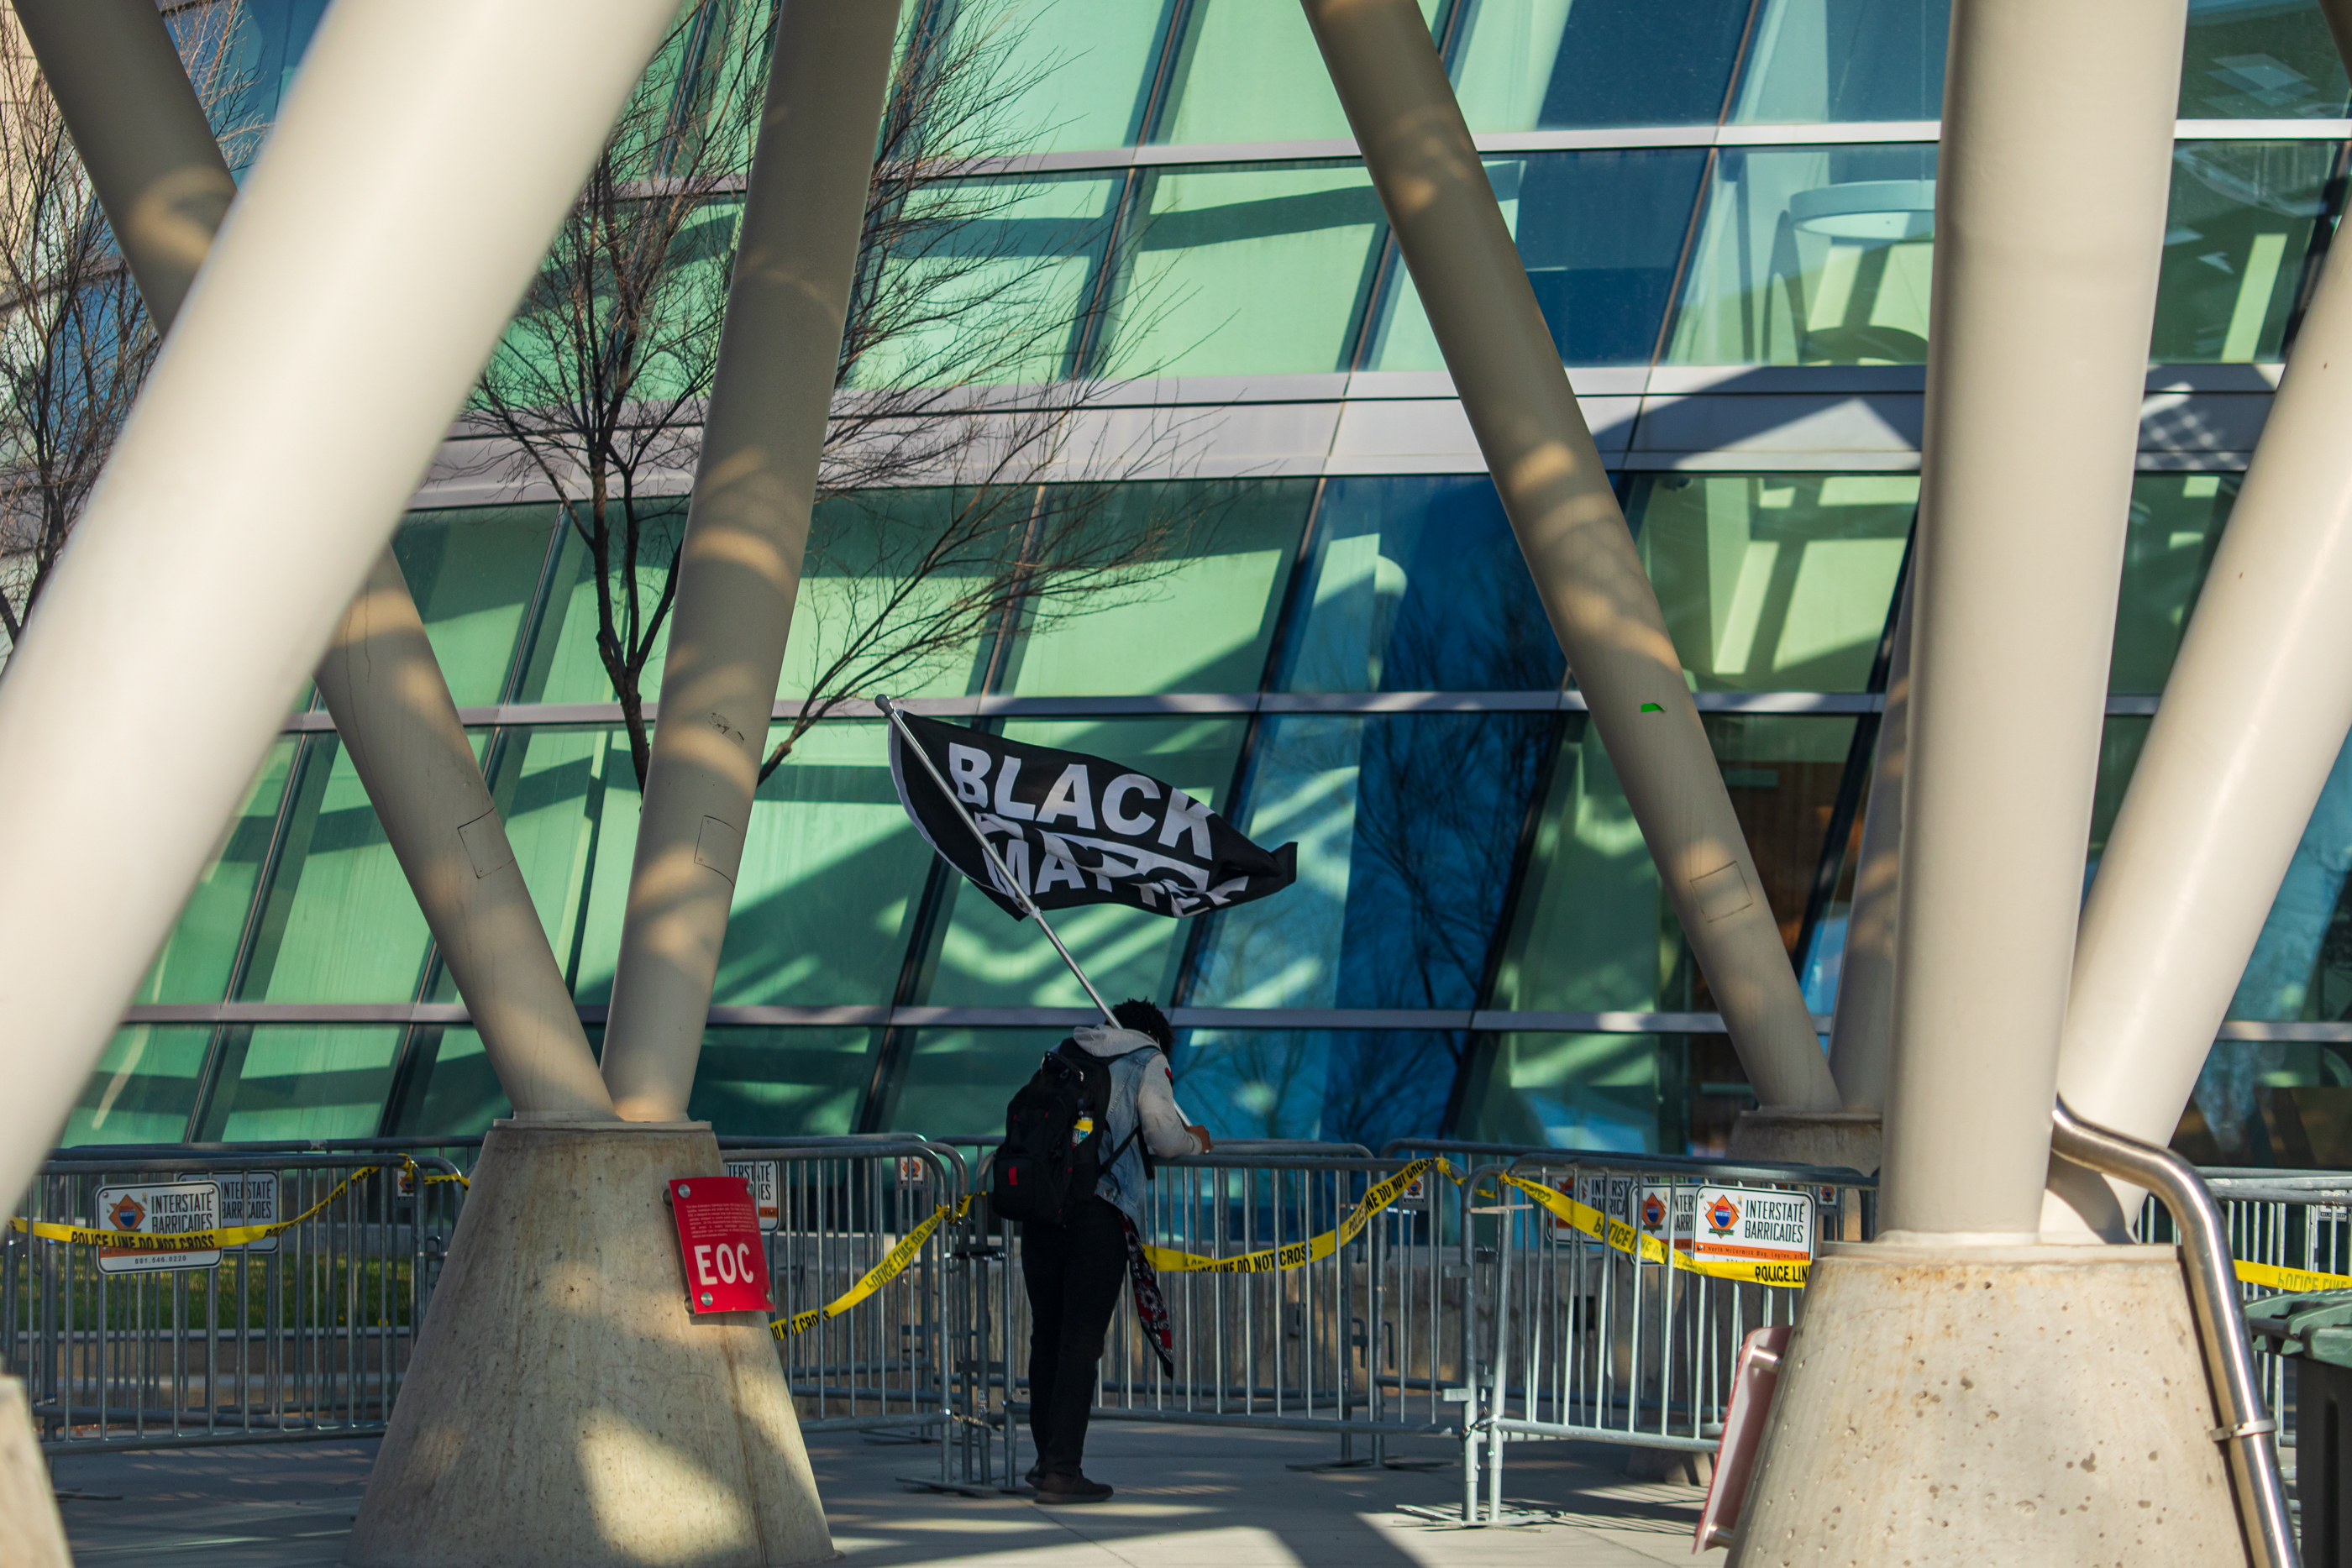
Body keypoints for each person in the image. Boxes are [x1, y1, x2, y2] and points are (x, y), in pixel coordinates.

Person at [1021, 997, 1210, 1504]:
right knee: (1081, 1342)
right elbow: (1164, 1137)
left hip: (1042, 1211)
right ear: (1156, 1037)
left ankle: (1045, 1462)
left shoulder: (1063, 1051)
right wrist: (1196, 1142)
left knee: (1049, 1336)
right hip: (1097, 1214)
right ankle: (1064, 1471)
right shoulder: (1146, 1060)